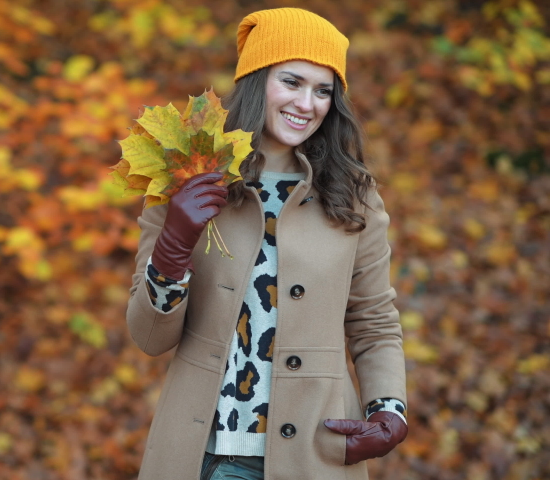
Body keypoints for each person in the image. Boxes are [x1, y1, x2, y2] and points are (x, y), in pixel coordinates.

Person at [125, 8, 408, 480]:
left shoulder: (354, 195)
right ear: (258, 81)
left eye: (323, 90)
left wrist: (389, 409)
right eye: (292, 81)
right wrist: (172, 248)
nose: (307, 102)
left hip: (315, 458)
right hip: (202, 458)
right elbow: (149, 338)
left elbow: (374, 320)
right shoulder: (189, 178)